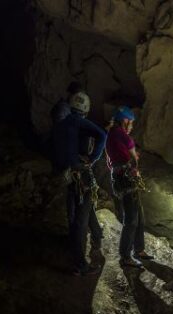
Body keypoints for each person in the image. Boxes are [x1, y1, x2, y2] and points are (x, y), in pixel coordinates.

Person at [52, 91, 106, 276]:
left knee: (81, 210)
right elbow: (102, 135)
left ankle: (96, 234)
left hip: (68, 175)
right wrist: (92, 158)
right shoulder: (77, 121)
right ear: (85, 110)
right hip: (81, 175)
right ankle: (80, 264)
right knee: (80, 220)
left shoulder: (60, 125)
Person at [105, 106, 152, 268]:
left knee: (139, 215)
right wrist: (134, 161)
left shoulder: (112, 134)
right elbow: (133, 155)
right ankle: (125, 256)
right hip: (126, 179)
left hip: (122, 177)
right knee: (131, 218)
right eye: (130, 121)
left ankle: (139, 249)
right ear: (124, 120)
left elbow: (112, 160)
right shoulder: (119, 134)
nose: (131, 125)